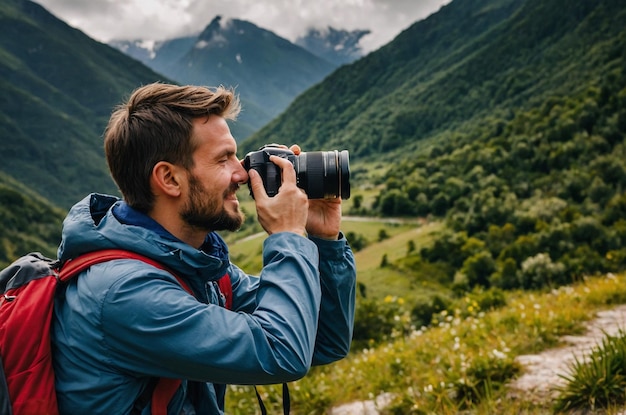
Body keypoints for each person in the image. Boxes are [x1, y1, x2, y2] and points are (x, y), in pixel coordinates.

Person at [51, 82, 356, 414]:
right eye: (223, 159)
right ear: (169, 179)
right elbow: (282, 352)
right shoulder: (123, 293)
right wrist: (288, 236)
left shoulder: (197, 267)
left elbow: (324, 342)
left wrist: (322, 241)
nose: (241, 173)